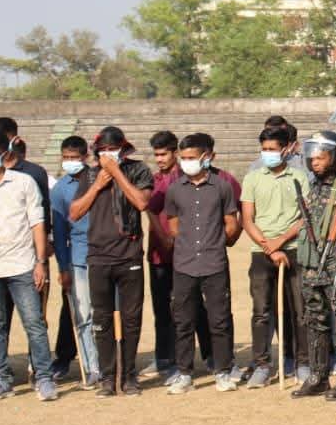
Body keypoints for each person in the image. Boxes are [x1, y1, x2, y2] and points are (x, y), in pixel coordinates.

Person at [69, 126, 154, 397]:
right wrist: (97, 184)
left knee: (132, 318)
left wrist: (117, 173)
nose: (107, 155)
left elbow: (141, 203)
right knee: (101, 319)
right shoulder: (90, 174)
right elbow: (75, 212)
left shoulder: (138, 170)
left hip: (129, 254)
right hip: (99, 256)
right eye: (102, 151)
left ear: (123, 149)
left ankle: (129, 376)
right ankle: (108, 377)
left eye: (112, 149)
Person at [162, 133, 241, 394]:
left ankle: (223, 371)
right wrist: (188, 242)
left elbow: (231, 223)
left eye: (191, 158)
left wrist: (215, 241)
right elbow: (173, 225)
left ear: (207, 157)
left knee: (219, 320)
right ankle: (184, 373)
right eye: (183, 158)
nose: (186, 162)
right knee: (183, 320)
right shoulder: (174, 189)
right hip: (184, 264)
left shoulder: (222, 186)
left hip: (214, 263)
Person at [240, 124, 307, 388]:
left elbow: (305, 218)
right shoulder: (253, 178)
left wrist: (282, 241)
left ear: (286, 150)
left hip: (293, 249)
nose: (267, 154)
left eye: (272, 149)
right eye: (264, 149)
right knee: (261, 311)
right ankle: (262, 365)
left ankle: (302, 363)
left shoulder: (299, 176)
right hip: (262, 251)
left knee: (299, 310)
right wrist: (270, 246)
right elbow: (247, 219)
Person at [291, 131, 336, 398]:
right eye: (312, 157)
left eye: (320, 157)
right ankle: (318, 375)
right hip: (311, 265)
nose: (315, 162)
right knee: (314, 320)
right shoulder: (313, 184)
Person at [0, 147, 55, 401]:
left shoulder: (23, 182)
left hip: (22, 264)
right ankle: (2, 379)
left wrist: (40, 262)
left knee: (34, 323)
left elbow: (37, 223)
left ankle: (44, 377)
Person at [50, 136, 99, 386]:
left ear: (85, 158)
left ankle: (111, 364)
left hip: (104, 256)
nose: (70, 162)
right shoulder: (59, 189)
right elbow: (59, 236)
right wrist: (63, 267)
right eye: (66, 158)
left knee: (106, 314)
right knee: (82, 316)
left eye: (75, 158)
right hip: (78, 260)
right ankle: (92, 368)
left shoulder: (99, 179)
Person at [144, 130, 180, 378]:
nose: (159, 159)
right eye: (156, 155)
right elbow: (149, 209)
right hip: (158, 253)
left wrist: (174, 239)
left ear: (175, 152)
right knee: (161, 309)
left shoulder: (184, 178)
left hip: (183, 253)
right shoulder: (153, 180)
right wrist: (163, 237)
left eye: (163, 154)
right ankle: (163, 357)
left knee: (185, 308)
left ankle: (185, 358)